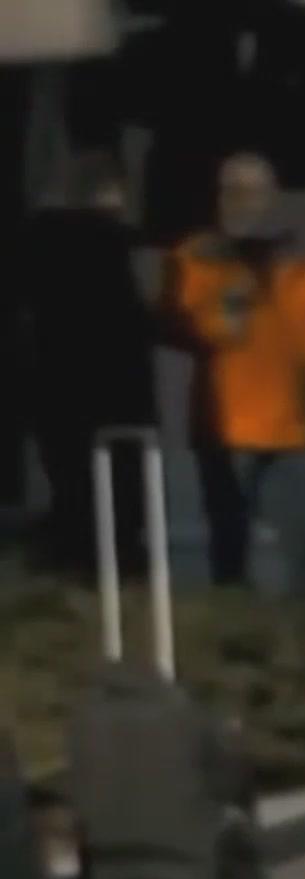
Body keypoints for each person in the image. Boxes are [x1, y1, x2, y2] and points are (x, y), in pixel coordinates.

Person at [165, 152, 305, 590]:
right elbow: (181, 320)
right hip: (225, 423)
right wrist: (223, 323)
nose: (241, 201)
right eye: (231, 191)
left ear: (273, 197)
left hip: (294, 425)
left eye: (253, 191)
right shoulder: (196, 256)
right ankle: (234, 621)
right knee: (230, 545)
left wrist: (297, 355)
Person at [14, 149, 156, 579]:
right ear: (111, 192)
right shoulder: (116, 246)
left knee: (71, 485)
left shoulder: (35, 243)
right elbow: (133, 323)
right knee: (117, 495)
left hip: (55, 389)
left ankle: (71, 566)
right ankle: (111, 571)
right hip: (115, 393)